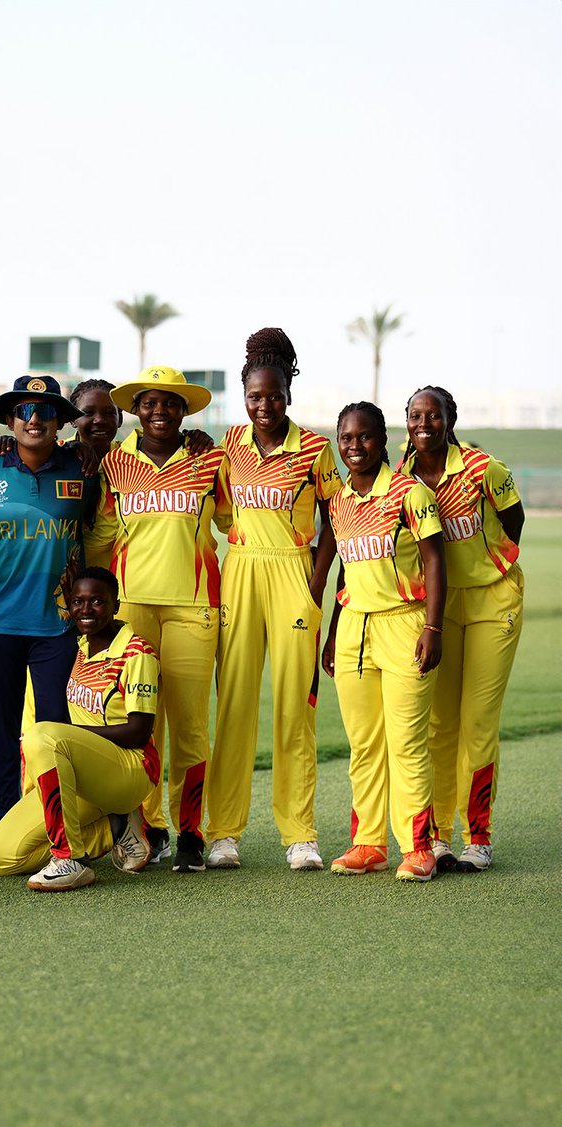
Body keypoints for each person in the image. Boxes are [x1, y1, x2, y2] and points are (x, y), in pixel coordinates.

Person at [206, 329, 341, 871]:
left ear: (289, 391)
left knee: (294, 708)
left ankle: (300, 834)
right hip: (241, 571)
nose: (264, 407)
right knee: (234, 704)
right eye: (254, 397)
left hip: (294, 574)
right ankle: (223, 833)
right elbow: (218, 510)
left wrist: (314, 580)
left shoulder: (314, 448)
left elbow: (334, 516)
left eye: (274, 395)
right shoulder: (229, 445)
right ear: (244, 395)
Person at [88, 366, 227, 873]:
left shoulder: (210, 457)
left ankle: (191, 830)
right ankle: (148, 826)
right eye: (150, 403)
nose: (160, 412)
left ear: (185, 410)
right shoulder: (115, 462)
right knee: (138, 724)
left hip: (193, 606)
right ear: (135, 409)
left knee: (190, 725)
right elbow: (101, 537)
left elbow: (237, 522)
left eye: (171, 403)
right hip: (130, 609)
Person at [399, 386, 524, 872]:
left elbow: (514, 521)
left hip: (495, 601)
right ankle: (440, 837)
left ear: (450, 418)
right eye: (414, 416)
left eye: (433, 415)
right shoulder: (404, 478)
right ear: (406, 421)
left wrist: (488, 565)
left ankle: (479, 837)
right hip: (440, 609)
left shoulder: (482, 468)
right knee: (439, 725)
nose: (423, 423)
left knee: (476, 722)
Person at [321, 401, 446, 882]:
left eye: (365, 437)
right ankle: (368, 843)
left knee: (408, 742)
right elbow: (343, 573)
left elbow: (436, 561)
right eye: (346, 438)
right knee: (364, 743)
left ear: (383, 440)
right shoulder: (339, 502)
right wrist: (334, 632)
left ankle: (417, 848)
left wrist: (432, 628)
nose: (355, 447)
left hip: (406, 625)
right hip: (355, 627)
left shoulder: (410, 494)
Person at [0, 375, 99, 828]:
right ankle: (3, 823)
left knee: (58, 731)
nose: (33, 420)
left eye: (45, 411)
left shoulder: (82, 469)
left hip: (59, 625)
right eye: (24, 411)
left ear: (61, 423)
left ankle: (62, 823)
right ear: (9, 420)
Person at [0, 568, 160, 890]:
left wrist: (66, 739)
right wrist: (66, 743)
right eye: (78, 601)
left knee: (42, 735)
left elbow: (138, 732)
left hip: (129, 771)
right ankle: (116, 826)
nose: (86, 609)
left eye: (97, 601)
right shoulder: (77, 647)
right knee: (0, 858)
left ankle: (70, 859)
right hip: (79, 774)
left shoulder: (137, 653)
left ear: (115, 606)